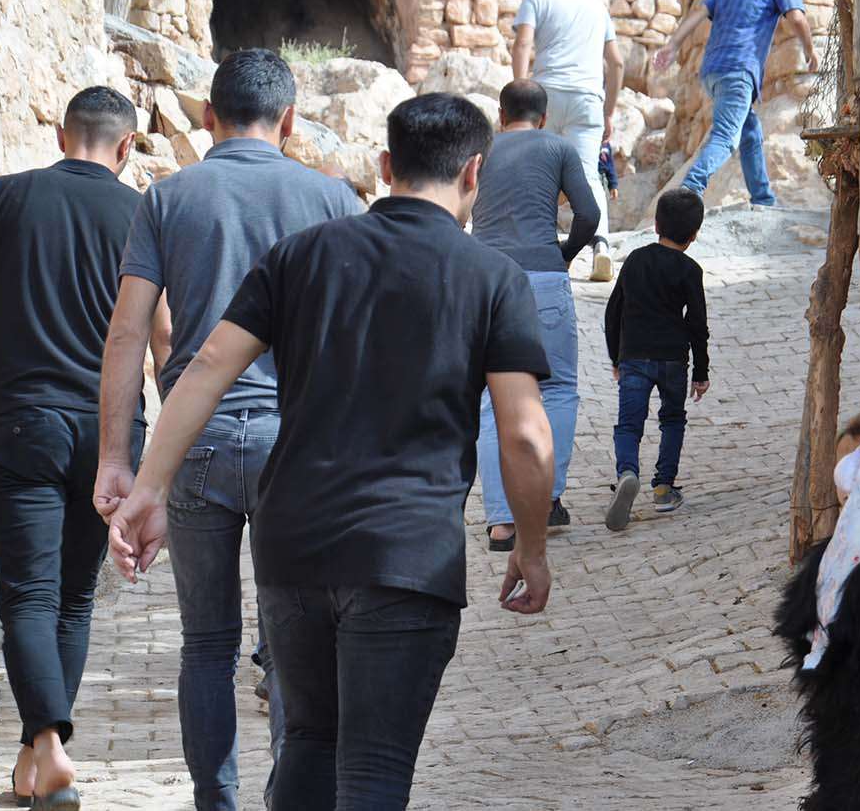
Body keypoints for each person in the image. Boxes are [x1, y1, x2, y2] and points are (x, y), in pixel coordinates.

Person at [107, 92, 556, 810]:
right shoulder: (491, 278)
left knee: (310, 743)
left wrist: (151, 489)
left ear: (384, 165)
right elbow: (526, 435)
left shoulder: (301, 256)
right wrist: (530, 547)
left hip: (294, 550)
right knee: (374, 768)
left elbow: (208, 366)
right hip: (405, 555)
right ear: (475, 172)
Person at [96, 48, 361, 811]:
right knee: (295, 648)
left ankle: (216, 802)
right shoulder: (333, 199)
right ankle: (292, 795)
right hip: (295, 448)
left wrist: (117, 458)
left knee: (207, 646)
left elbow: (128, 333)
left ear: (209, 117)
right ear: (290, 120)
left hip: (195, 444)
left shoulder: (167, 198)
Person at [0, 87, 147, 809]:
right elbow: (162, 331)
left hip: (21, 421)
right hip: (109, 430)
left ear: (61, 134)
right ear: (127, 146)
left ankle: (46, 747)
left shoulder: (6, 197)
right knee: (75, 598)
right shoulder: (143, 212)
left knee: (27, 594)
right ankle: (37, 759)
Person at [472, 79, 601, 550]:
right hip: (545, 277)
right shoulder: (558, 148)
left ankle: (502, 522)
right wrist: (562, 255)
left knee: (492, 399)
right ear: (544, 117)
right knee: (558, 388)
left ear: (500, 114)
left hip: (489, 279)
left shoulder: (481, 150)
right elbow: (588, 215)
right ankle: (546, 501)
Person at [652, 0, 820, 207]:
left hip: (712, 71)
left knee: (749, 131)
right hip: (739, 70)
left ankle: (763, 199)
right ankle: (689, 191)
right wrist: (810, 51)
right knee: (726, 136)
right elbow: (797, 18)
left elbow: (698, 13)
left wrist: (673, 45)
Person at [512, 0, 625, 282]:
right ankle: (601, 246)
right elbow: (617, 63)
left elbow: (523, 43)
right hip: (587, 99)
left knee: (540, 174)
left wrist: (519, 93)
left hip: (545, 96)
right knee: (588, 175)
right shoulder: (596, 4)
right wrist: (608, 112)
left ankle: (544, 248)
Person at [603, 189, 711, 530]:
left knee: (628, 424)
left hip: (634, 356)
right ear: (694, 235)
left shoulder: (635, 260)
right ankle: (664, 488)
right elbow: (697, 324)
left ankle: (627, 472)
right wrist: (701, 371)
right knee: (673, 420)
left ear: (656, 225)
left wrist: (616, 356)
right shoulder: (691, 270)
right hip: (673, 360)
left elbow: (613, 312)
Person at [598, 139, 619, 206]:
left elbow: (609, 165)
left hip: (602, 181)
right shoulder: (585, 139)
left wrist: (613, 185)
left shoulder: (606, 145)